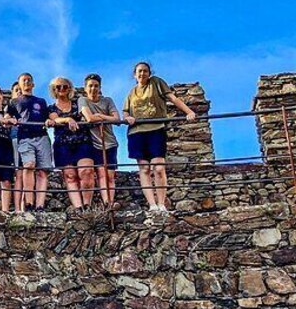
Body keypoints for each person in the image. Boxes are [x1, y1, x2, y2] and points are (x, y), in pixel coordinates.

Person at [123, 61, 196, 212]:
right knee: (144, 169)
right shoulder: (131, 93)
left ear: (149, 73)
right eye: (139, 71)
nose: (142, 73)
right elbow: (125, 112)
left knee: (158, 167)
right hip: (136, 133)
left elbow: (173, 98)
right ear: (134, 75)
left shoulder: (157, 83)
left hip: (156, 129)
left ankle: (161, 203)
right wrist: (127, 117)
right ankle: (152, 205)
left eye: (145, 71)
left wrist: (189, 111)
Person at [6, 73, 54, 211]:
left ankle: (39, 205)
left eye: (29, 80)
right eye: (23, 80)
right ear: (19, 85)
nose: (26, 82)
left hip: (42, 136)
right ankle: (28, 202)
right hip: (25, 137)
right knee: (28, 165)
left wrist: (51, 120)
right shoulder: (14, 102)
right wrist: (9, 120)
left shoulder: (41, 101)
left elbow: (48, 116)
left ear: (33, 84)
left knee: (43, 172)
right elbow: (6, 117)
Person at [48, 77, 96, 210]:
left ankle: (87, 205)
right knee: (70, 176)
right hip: (63, 144)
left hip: (83, 141)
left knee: (86, 172)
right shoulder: (51, 108)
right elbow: (55, 119)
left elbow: (88, 115)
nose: (62, 89)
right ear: (54, 90)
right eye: (58, 87)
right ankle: (79, 208)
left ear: (69, 88)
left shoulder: (78, 104)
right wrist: (68, 118)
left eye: (65, 86)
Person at [78, 73, 121, 208]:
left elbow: (117, 119)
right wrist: (105, 117)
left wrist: (100, 115)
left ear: (100, 87)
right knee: (99, 173)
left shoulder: (107, 101)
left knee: (109, 175)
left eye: (96, 86)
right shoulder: (82, 100)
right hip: (95, 143)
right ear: (85, 88)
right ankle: (98, 203)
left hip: (109, 142)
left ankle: (109, 203)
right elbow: (89, 118)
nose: (93, 89)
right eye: (90, 86)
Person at [9, 81, 24, 212]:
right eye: (16, 90)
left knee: (29, 173)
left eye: (20, 90)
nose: (19, 92)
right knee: (19, 173)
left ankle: (27, 205)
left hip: (30, 139)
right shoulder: (11, 108)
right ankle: (19, 208)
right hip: (16, 138)